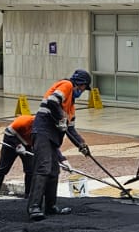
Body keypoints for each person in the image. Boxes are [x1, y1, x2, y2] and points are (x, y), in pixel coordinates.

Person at [26, 69, 92, 221]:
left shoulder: (71, 106)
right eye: (83, 88)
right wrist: (61, 118)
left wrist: (82, 145)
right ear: (80, 84)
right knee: (43, 167)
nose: (82, 91)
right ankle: (34, 207)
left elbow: (71, 129)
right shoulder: (67, 85)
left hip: (53, 138)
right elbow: (52, 101)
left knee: (54, 171)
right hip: (42, 131)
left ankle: (50, 206)